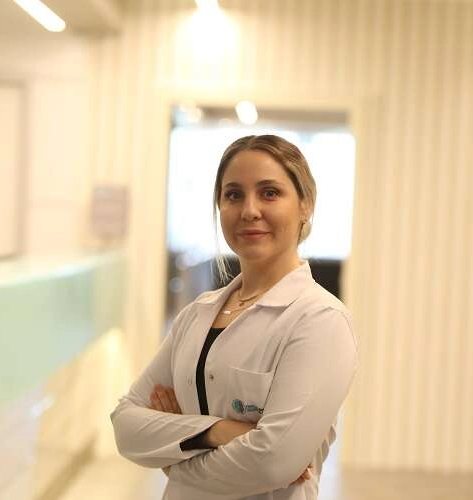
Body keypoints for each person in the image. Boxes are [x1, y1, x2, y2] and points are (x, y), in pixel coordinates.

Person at [111, 134, 358, 500]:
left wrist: (172, 457)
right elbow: (125, 425)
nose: (249, 210)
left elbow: (272, 464)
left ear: (305, 205)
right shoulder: (197, 314)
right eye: (233, 195)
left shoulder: (320, 320)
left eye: (270, 193)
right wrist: (219, 431)